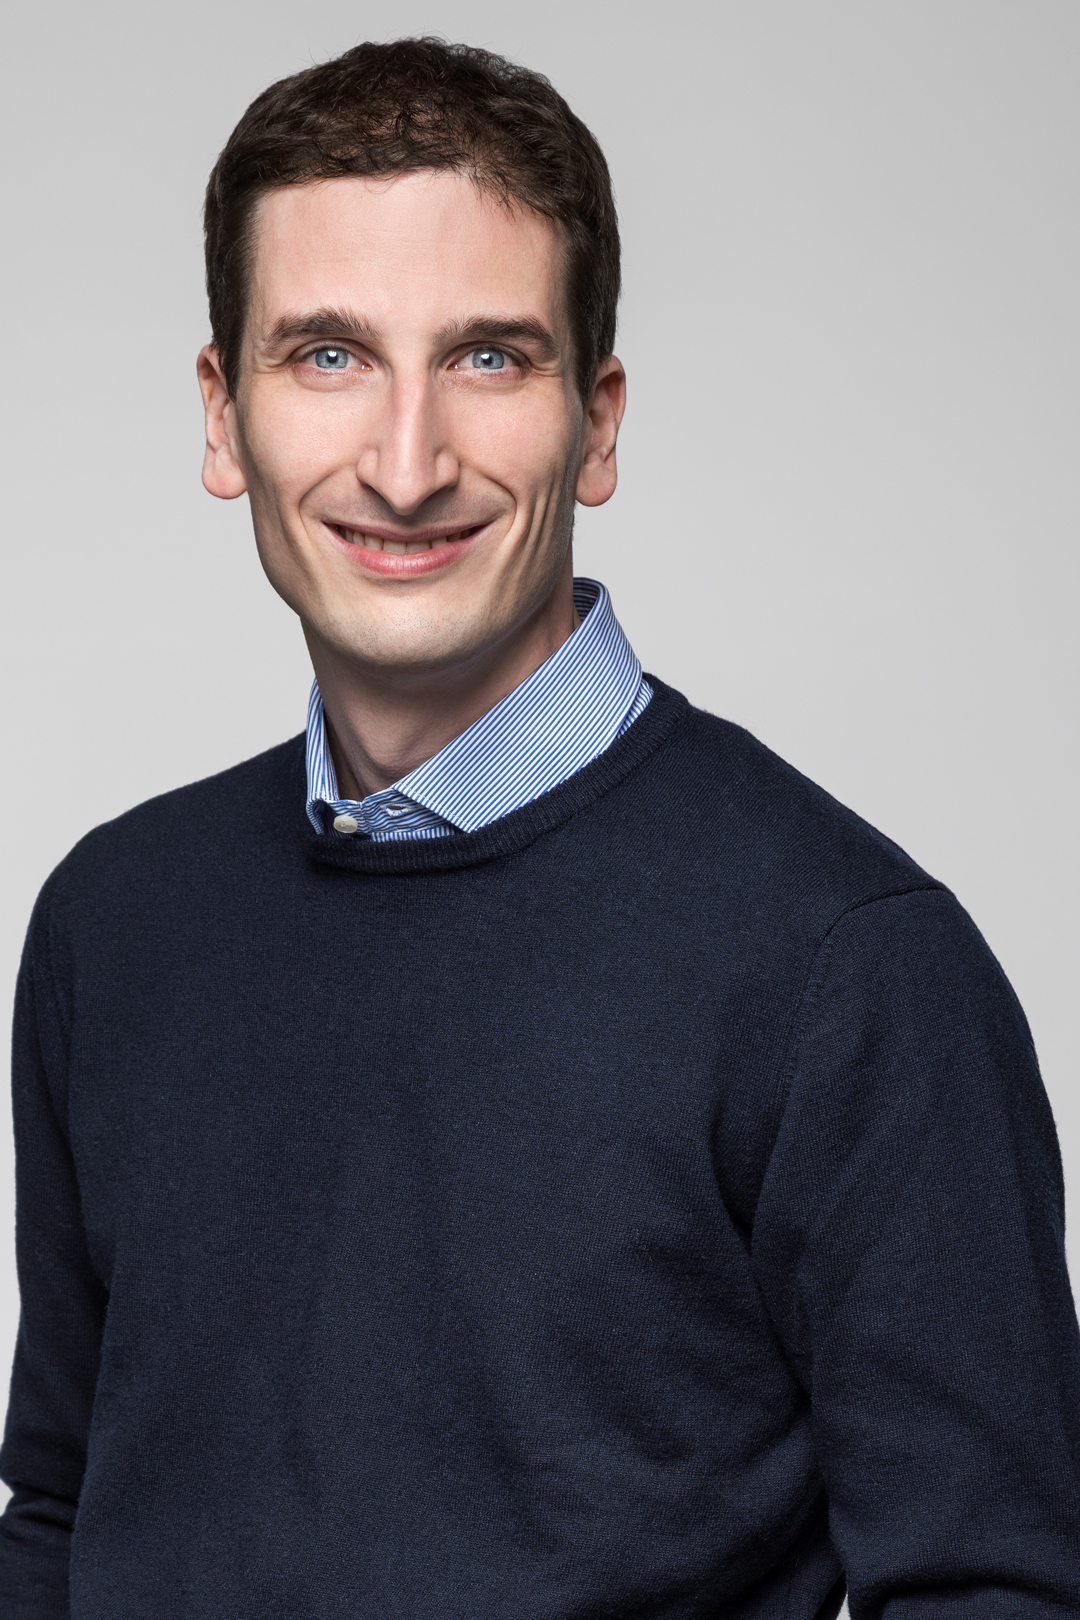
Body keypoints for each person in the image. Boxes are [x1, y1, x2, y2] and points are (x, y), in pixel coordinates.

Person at [1, 35, 1077, 1620]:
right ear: (225, 418)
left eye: (490, 359)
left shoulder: (848, 969)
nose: (407, 463)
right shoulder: (113, 923)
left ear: (599, 421)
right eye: (329, 355)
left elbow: (997, 1591)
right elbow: (60, 1518)